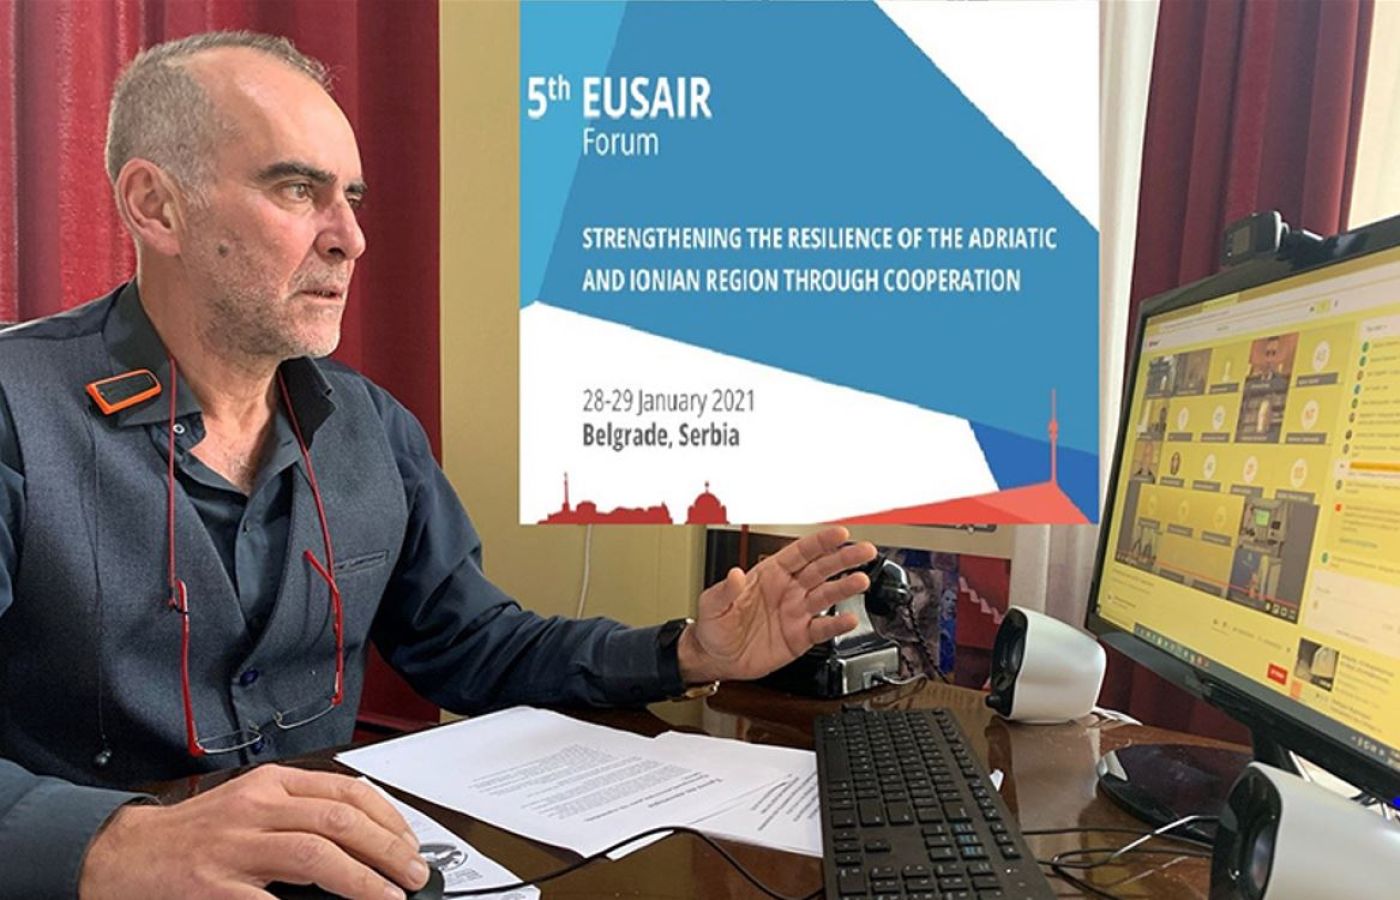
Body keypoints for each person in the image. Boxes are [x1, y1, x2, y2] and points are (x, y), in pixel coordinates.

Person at [0, 32, 875, 899]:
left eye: (352, 198)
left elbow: (473, 645)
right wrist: (112, 844)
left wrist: (688, 650)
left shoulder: (372, 429)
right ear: (156, 207)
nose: (351, 239)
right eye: (298, 189)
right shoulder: (16, 414)